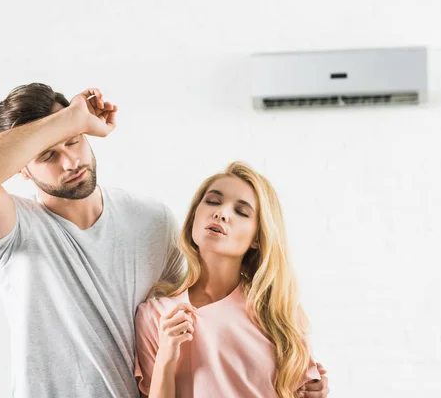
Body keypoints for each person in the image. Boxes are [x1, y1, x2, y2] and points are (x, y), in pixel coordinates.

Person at [0, 83, 184, 397]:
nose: (71, 162)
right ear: (22, 170)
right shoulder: (12, 230)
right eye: (47, 155)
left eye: (74, 141)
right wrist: (73, 117)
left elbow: (186, 328)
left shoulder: (154, 221)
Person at [134, 162, 329, 398]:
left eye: (242, 212)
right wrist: (166, 355)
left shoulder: (277, 310)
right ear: (195, 213)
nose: (221, 213)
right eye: (213, 201)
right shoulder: (156, 315)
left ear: (257, 238)